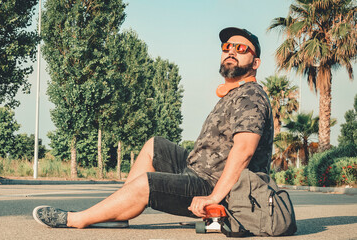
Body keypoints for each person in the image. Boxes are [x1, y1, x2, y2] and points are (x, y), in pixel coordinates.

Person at [32, 27, 273, 229]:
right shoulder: (234, 94)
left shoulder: (251, 96)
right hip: (197, 171)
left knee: (146, 183)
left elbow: (244, 151)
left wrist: (212, 198)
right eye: (227, 47)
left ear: (256, 62)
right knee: (155, 145)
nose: (231, 51)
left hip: (214, 186)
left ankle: (77, 220)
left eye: (241, 49)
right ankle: (119, 212)